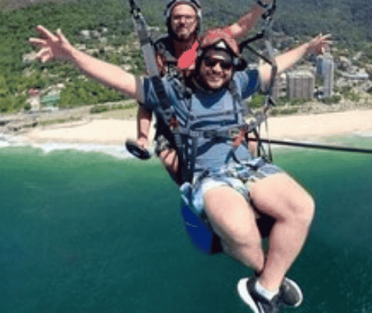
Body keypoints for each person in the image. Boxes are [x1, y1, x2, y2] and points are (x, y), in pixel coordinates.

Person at [31, 25, 331, 312]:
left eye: (225, 65)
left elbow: (276, 66)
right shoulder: (171, 92)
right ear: (199, 61)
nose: (218, 70)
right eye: (211, 62)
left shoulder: (239, 85)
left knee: (302, 207)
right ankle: (269, 278)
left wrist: (307, 47)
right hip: (210, 177)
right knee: (244, 234)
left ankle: (265, 288)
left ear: (233, 68)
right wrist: (72, 55)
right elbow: (121, 79)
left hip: (249, 166)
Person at [130, 0, 278, 182]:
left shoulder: (208, 43)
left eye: (188, 17)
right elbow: (146, 100)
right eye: (177, 17)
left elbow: (241, 27)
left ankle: (254, 184)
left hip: (212, 113)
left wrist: (262, 2)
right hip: (174, 123)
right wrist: (142, 137)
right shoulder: (159, 54)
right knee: (170, 159)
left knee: (250, 142)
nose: (182, 22)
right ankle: (196, 191)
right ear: (170, 21)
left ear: (197, 21)